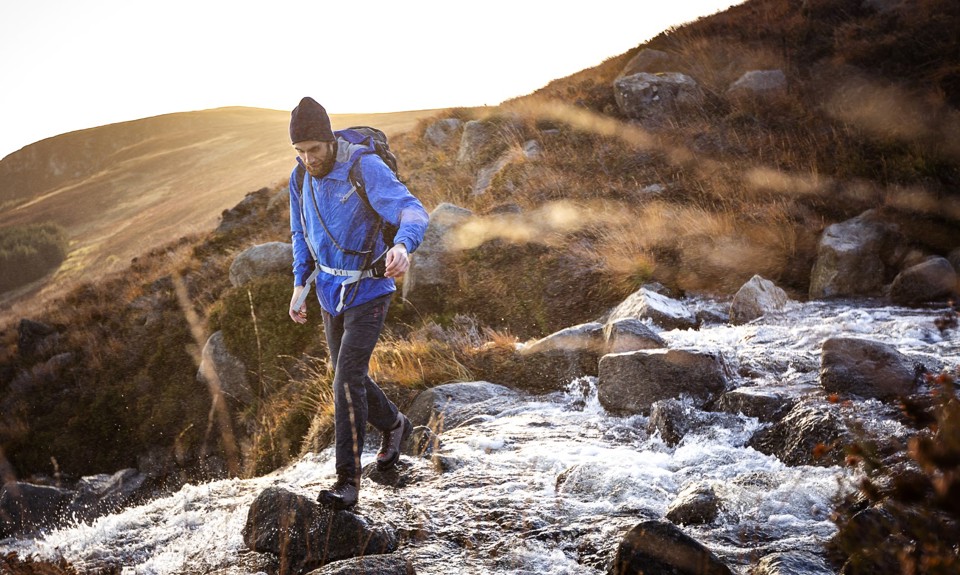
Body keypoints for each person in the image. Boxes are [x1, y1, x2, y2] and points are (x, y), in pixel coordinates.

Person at [287, 96, 429, 509]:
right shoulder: (299, 178)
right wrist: (300, 284)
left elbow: (411, 209)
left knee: (346, 376)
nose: (309, 159)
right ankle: (396, 424)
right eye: (300, 151)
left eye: (314, 149)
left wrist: (403, 246)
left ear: (329, 140)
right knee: (348, 374)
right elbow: (301, 232)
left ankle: (347, 481)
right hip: (330, 292)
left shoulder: (362, 167)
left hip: (370, 288)